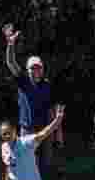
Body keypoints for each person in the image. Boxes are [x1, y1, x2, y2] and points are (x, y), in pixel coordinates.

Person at [3, 24, 58, 169]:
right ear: (27, 70)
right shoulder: (24, 82)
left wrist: (56, 132)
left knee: (45, 163)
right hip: (28, 130)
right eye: (33, 68)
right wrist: (10, 44)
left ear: (42, 69)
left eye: (38, 67)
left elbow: (52, 109)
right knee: (27, 163)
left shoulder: (47, 85)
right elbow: (11, 63)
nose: (36, 70)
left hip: (45, 130)